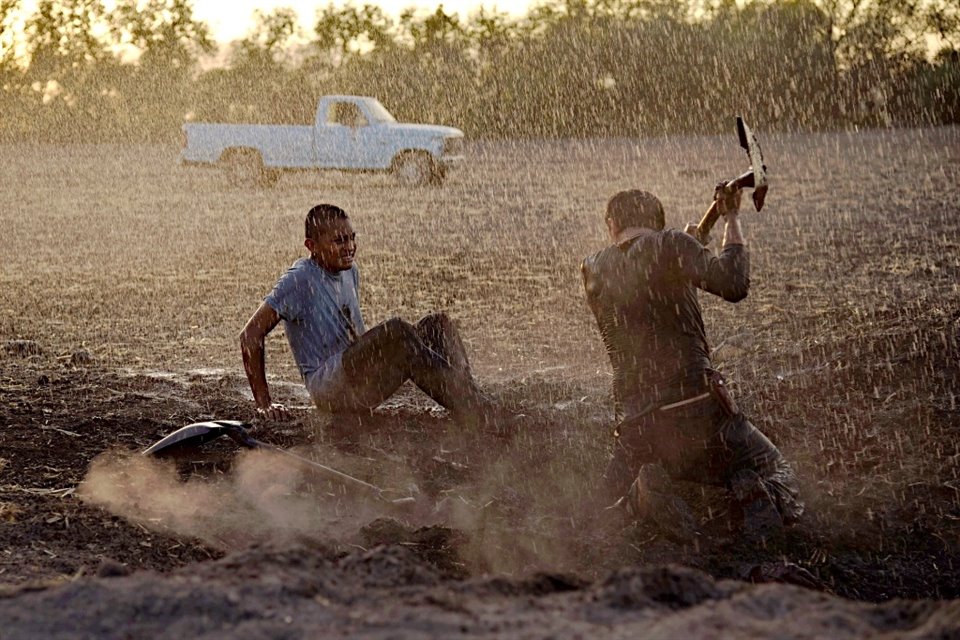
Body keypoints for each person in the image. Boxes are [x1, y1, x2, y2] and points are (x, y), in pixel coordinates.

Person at [580, 188, 803, 540]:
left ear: (611, 225)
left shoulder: (593, 267)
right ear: (658, 222)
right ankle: (757, 491)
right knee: (774, 468)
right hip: (699, 413)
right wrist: (729, 218)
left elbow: (643, 283)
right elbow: (733, 283)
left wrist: (690, 242)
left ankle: (638, 500)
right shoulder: (672, 245)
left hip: (638, 426)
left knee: (600, 517)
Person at [240, 203, 498, 431]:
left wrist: (401, 359)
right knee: (397, 330)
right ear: (312, 246)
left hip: (357, 378)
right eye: (339, 241)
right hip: (331, 390)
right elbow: (250, 335)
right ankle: (477, 411)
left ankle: (470, 399)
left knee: (437, 324)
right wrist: (264, 404)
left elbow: (355, 335)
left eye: (352, 238)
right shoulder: (299, 279)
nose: (350, 247)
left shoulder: (350, 271)